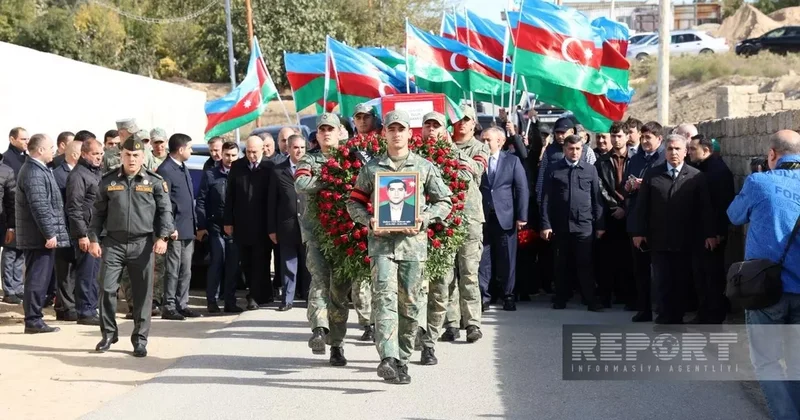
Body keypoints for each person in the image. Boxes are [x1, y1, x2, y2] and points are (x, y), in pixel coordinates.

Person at [346, 110, 453, 385]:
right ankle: (388, 358)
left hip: (412, 246)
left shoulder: (424, 167)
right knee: (384, 300)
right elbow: (353, 202)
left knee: (410, 303)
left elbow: (445, 202)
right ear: (385, 134)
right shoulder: (372, 170)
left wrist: (424, 218)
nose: (396, 134)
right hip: (381, 245)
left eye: (401, 129)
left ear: (409, 134)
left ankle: (403, 359)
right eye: (391, 129)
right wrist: (368, 220)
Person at [727, 129, 800, 420]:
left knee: (767, 361)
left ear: (772, 155)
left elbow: (734, 215)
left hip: (764, 289)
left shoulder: (758, 182)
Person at [89, 136, 173, 357]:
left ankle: (140, 339)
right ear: (121, 156)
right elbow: (97, 213)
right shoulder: (108, 181)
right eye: (127, 155)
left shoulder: (155, 182)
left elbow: (165, 212)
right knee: (107, 289)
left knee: (142, 293)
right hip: (113, 243)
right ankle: (108, 334)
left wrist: (163, 237)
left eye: (136, 155)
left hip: (142, 243)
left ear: (142, 157)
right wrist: (93, 238)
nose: (132, 159)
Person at [632, 134, 714, 325]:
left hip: (686, 239)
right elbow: (642, 206)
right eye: (670, 149)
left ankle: (678, 318)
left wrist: (709, 234)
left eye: (678, 149)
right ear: (665, 152)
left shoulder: (696, 176)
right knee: (662, 280)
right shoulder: (653, 174)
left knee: (682, 280)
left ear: (685, 152)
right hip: (659, 238)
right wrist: (638, 232)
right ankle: (664, 317)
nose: (674, 152)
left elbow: (705, 208)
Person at [295, 113, 353, 364]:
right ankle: (319, 329)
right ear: (316, 135)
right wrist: (328, 179)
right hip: (317, 232)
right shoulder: (309, 158)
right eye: (322, 130)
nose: (326, 133)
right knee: (319, 280)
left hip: (344, 234)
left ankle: (337, 345)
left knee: (339, 291)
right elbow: (301, 182)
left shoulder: (352, 158)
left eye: (331, 129)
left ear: (340, 131)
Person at [441, 105, 488, 344]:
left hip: (469, 219)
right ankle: (451, 323)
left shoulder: (480, 147)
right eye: (457, 119)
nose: (461, 123)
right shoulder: (440, 147)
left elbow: (474, 169)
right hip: (446, 218)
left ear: (473, 124)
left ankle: (472, 323)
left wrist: (449, 148)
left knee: (469, 274)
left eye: (466, 119)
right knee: (447, 274)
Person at [541, 135, 605, 312]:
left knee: (585, 264)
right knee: (561, 263)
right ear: (565, 150)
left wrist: (600, 225)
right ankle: (560, 298)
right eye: (571, 149)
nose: (574, 152)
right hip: (561, 225)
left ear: (582, 150)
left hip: (584, 225)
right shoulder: (554, 169)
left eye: (578, 149)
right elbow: (546, 199)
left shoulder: (590, 170)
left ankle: (590, 300)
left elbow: (596, 198)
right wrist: (546, 224)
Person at [16, 134, 71, 333]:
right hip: (38, 237)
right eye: (49, 148)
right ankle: (33, 320)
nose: (53, 151)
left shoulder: (39, 169)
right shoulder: (33, 171)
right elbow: (40, 206)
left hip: (40, 236)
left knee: (40, 276)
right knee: (37, 278)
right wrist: (50, 234)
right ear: (40, 150)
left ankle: (35, 318)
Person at [478, 127, 529, 311]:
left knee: (507, 259)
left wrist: (522, 216)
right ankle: (484, 296)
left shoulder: (512, 161)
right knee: (483, 259)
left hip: (505, 217)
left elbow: (522, 188)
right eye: (482, 140)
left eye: (488, 140)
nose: (484, 144)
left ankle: (508, 295)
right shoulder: (477, 160)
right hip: (483, 217)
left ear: (499, 141)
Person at [688, 134, 735, 324]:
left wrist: (715, 234)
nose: (689, 152)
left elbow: (720, 206)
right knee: (703, 275)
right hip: (703, 233)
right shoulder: (705, 168)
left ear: (706, 150)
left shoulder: (717, 172)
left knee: (711, 276)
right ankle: (706, 313)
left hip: (712, 235)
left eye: (693, 149)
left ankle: (713, 316)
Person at [224, 136, 274, 309]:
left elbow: (274, 197)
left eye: (254, 152)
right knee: (246, 261)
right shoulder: (238, 166)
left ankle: (255, 295)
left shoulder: (270, 167)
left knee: (261, 260)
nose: (251, 156)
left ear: (262, 150)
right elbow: (230, 195)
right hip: (242, 223)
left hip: (263, 224)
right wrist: (228, 221)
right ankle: (258, 293)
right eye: (248, 152)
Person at [624, 121, 666, 322]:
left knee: (661, 269)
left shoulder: (665, 159)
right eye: (643, 137)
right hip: (637, 220)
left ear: (659, 139)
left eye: (649, 137)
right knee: (639, 269)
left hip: (658, 221)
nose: (645, 141)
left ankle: (663, 308)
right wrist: (631, 186)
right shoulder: (636, 158)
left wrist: (647, 184)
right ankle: (644, 309)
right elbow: (625, 183)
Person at [197, 141, 244, 313]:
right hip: (215, 225)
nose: (230, 159)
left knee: (233, 265)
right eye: (227, 155)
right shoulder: (210, 175)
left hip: (236, 227)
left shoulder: (241, 174)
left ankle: (230, 302)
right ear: (221, 155)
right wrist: (201, 225)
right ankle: (212, 301)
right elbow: (201, 201)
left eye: (233, 155)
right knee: (217, 261)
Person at [158, 133, 199, 320]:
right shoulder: (166, 170)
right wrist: (169, 227)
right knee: (173, 269)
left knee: (186, 270)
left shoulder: (182, 167)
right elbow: (164, 202)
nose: (191, 151)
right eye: (189, 148)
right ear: (181, 149)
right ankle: (169, 305)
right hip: (175, 230)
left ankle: (182, 304)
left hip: (188, 228)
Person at [268, 134, 311, 311]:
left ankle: (309, 297)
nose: (299, 151)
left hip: (308, 226)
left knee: (309, 265)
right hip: (287, 227)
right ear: (288, 149)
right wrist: (271, 228)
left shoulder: (312, 169)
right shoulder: (278, 171)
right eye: (295, 147)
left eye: (302, 147)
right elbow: (271, 202)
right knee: (288, 264)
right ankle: (287, 300)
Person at [594, 122, 634, 309]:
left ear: (627, 137)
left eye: (619, 136)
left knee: (628, 257)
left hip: (630, 213)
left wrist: (625, 207)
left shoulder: (636, 159)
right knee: (606, 258)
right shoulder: (601, 162)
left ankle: (627, 295)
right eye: (613, 136)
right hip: (609, 215)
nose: (615, 140)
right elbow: (599, 187)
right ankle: (605, 296)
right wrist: (614, 207)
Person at [65, 137, 104, 325]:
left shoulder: (96, 173)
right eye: (95, 154)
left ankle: (92, 308)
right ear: (84, 154)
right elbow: (74, 207)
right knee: (86, 273)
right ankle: (85, 311)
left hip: (97, 231)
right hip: (86, 232)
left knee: (94, 273)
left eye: (100, 154)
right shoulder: (78, 175)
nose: (98, 157)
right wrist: (82, 234)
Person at [51, 141, 81, 322]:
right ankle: (67, 307)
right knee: (65, 270)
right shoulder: (58, 175)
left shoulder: (77, 173)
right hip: (63, 228)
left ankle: (64, 305)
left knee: (73, 270)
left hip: (75, 228)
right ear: (76, 155)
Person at [2, 127, 27, 304]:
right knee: (10, 251)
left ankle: (18, 288)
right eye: (23, 139)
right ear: (12, 139)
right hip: (8, 214)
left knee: (21, 251)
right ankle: (9, 289)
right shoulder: (7, 160)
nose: (26, 142)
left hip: (22, 212)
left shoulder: (25, 159)